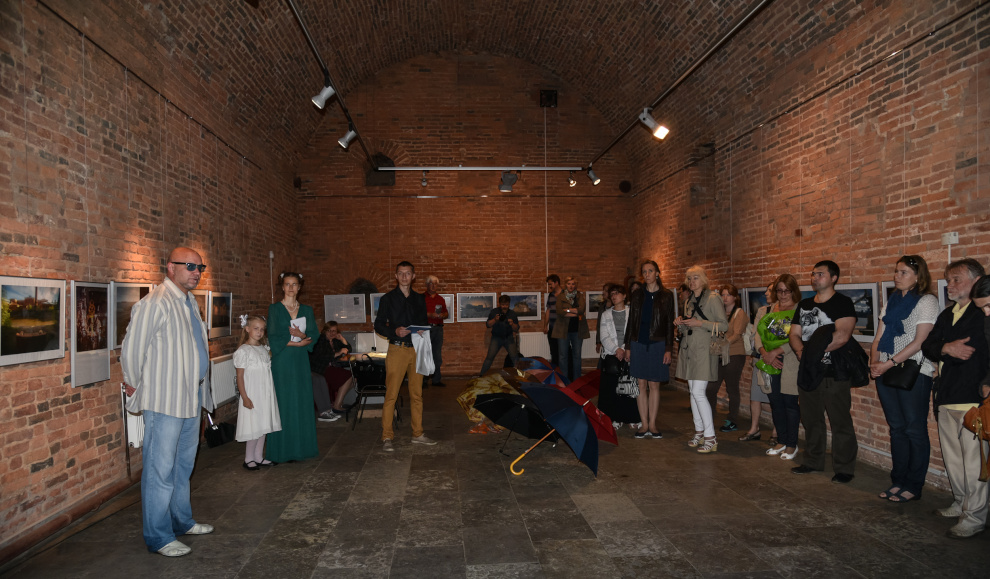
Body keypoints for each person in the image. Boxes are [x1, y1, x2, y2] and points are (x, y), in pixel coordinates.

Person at [121, 247, 214, 557]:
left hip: (190, 397)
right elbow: (132, 350)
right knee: (159, 470)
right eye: (189, 266)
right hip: (165, 400)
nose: (196, 272)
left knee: (183, 466)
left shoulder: (189, 302)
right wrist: (136, 386)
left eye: (199, 267)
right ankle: (158, 536)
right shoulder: (154, 303)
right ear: (170, 267)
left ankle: (181, 521)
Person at [922, 259, 989, 539]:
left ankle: (975, 516)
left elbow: (977, 352)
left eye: (956, 279)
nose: (949, 285)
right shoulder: (948, 313)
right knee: (953, 459)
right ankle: (960, 502)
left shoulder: (982, 313)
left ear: (976, 280)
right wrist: (946, 348)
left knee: (974, 464)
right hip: (946, 394)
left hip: (973, 397)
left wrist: (945, 349)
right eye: (948, 280)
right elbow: (928, 345)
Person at [869, 255, 939, 503]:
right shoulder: (893, 300)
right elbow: (879, 337)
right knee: (897, 429)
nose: (896, 276)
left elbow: (920, 341)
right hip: (885, 369)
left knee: (914, 429)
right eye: (896, 271)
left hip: (914, 372)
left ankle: (914, 484)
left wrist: (887, 363)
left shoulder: (927, 301)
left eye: (903, 272)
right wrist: (874, 362)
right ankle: (898, 480)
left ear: (918, 276)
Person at [788, 260, 859, 482]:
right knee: (811, 419)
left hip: (834, 371)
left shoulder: (842, 303)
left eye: (820, 274)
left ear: (834, 278)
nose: (815, 277)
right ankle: (812, 461)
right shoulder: (805, 304)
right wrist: (801, 352)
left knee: (840, 421)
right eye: (813, 274)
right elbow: (794, 334)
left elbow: (842, 336)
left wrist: (812, 353)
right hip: (809, 370)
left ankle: (844, 468)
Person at [374, 261, 437, 451]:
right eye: (400, 273)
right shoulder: (387, 299)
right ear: (395, 276)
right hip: (397, 349)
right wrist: (394, 331)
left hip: (416, 349)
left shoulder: (419, 299)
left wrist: (422, 330)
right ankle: (387, 437)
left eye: (407, 273)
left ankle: (418, 434)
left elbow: (423, 322)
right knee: (391, 395)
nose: (404, 277)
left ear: (413, 276)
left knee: (417, 395)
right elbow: (378, 325)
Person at [265, 272, 319, 463]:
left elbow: (314, 335)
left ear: (299, 287)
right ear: (282, 287)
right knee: (284, 402)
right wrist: (295, 342)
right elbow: (272, 336)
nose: (290, 288)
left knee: (302, 401)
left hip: (300, 360)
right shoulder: (274, 309)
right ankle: (282, 450)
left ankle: (302, 448)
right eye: (287, 284)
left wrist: (303, 337)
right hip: (283, 360)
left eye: (294, 284)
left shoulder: (307, 310)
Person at [675, 265, 728, 453]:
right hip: (689, 350)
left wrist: (700, 323)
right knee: (692, 392)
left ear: (704, 279)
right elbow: (687, 328)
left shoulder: (713, 298)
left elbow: (724, 326)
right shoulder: (688, 300)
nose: (692, 282)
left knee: (698, 392)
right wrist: (680, 324)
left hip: (704, 351)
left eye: (695, 278)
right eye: (689, 278)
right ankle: (699, 432)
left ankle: (711, 437)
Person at [624, 260, 675, 439]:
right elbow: (631, 321)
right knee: (641, 384)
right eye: (644, 272)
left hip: (658, 344)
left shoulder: (667, 296)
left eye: (650, 271)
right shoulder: (637, 295)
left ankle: (652, 424)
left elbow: (669, 323)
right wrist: (628, 346)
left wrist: (668, 348)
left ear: (657, 273)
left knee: (654, 385)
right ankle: (643, 424)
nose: (647, 274)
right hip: (638, 343)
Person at [756, 274, 801, 461]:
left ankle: (792, 444)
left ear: (793, 291)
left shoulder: (799, 309)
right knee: (775, 403)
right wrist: (765, 353)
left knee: (790, 403)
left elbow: (799, 337)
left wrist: (777, 352)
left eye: (786, 291)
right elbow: (757, 335)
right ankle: (781, 440)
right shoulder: (769, 309)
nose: (783, 295)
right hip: (769, 360)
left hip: (790, 361)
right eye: (779, 291)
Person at [234, 315, 281, 471]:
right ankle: (249, 458)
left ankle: (258, 456)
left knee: (263, 424)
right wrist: (244, 397)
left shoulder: (263, 349)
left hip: (265, 393)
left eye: (262, 329)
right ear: (247, 329)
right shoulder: (243, 351)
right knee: (253, 426)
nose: (259, 332)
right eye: (256, 328)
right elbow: (240, 376)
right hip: (252, 394)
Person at [598, 285, 641, 428]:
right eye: (612, 294)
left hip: (629, 352)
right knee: (612, 389)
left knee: (629, 388)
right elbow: (604, 336)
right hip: (611, 355)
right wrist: (616, 349)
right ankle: (614, 418)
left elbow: (635, 333)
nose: (614, 296)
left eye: (617, 293)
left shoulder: (632, 312)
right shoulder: (606, 314)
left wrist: (623, 349)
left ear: (624, 296)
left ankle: (631, 417)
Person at [739, 283, 777, 444]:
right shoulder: (762, 311)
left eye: (770, 290)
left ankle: (776, 432)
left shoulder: (785, 311)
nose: (766, 293)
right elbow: (755, 334)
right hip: (761, 358)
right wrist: (760, 352)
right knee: (755, 395)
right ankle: (754, 429)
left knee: (775, 397)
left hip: (777, 359)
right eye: (767, 290)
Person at [707, 284, 747, 432]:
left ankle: (732, 420)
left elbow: (736, 334)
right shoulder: (719, 312)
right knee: (710, 388)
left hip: (734, 354)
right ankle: (709, 417)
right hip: (719, 354)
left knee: (732, 388)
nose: (725, 298)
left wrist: (722, 344)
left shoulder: (739, 313)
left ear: (735, 297)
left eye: (728, 295)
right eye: (723, 295)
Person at [309, 321, 354, 421]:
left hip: (332, 367)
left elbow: (348, 349)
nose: (331, 333)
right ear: (324, 331)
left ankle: (337, 402)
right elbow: (323, 357)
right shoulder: (320, 340)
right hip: (321, 368)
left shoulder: (335, 341)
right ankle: (337, 406)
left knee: (354, 379)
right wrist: (339, 353)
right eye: (329, 330)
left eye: (334, 331)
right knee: (349, 376)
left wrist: (342, 339)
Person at [553, 277, 590, 381]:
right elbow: (560, 311)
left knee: (577, 357)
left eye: (573, 284)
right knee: (563, 357)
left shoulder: (579, 295)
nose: (571, 286)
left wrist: (567, 310)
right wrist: (574, 311)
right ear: (565, 284)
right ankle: (564, 381)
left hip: (577, 330)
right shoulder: (560, 296)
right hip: (562, 331)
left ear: (575, 285)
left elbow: (581, 310)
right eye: (569, 283)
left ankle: (577, 380)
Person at [481, 295, 520, 374]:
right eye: (502, 304)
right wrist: (495, 319)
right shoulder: (494, 312)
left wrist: (512, 324)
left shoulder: (512, 313)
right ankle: (481, 376)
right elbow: (488, 325)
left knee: (515, 358)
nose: (504, 306)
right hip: (496, 338)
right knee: (489, 358)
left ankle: (521, 377)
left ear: (509, 304)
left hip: (509, 338)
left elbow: (516, 329)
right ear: (499, 304)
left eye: (506, 304)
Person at [424, 275, 448, 387]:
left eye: (435, 284)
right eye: (431, 283)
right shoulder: (421, 298)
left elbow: (446, 313)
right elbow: (416, 313)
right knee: (424, 354)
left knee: (437, 355)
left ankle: (436, 380)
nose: (433, 286)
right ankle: (423, 381)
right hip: (425, 329)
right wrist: (429, 315)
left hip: (438, 329)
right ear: (427, 285)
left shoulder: (440, 299)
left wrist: (443, 315)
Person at [544, 274, 562, 368]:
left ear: (556, 283)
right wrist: (545, 326)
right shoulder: (550, 295)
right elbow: (548, 311)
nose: (549, 286)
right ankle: (555, 371)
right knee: (553, 352)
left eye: (550, 284)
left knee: (562, 352)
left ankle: (564, 372)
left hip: (562, 329)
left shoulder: (565, 294)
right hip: (552, 328)